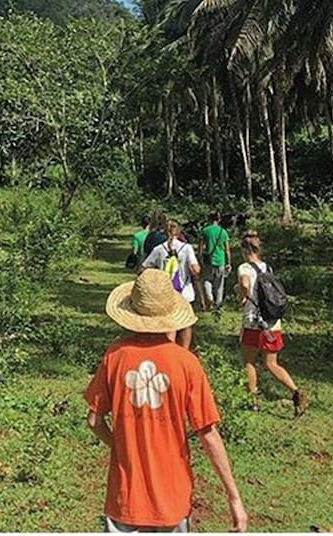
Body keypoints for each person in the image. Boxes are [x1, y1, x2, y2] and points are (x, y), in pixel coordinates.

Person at [85, 269, 248, 533]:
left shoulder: (115, 356)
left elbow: (94, 420)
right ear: (171, 317)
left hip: (124, 499)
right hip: (172, 500)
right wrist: (234, 497)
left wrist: (121, 445)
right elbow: (208, 433)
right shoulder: (186, 364)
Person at [235, 231, 306, 416]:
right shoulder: (268, 268)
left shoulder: (244, 267)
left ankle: (252, 401)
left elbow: (244, 284)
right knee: (272, 363)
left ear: (245, 249)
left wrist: (242, 296)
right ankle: (296, 391)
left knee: (249, 362)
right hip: (272, 323)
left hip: (253, 322)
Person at [141, 220, 201, 349]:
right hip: (185, 292)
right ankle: (184, 352)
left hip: (166, 293)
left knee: (169, 323)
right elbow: (196, 269)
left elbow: (143, 268)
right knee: (186, 323)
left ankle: (169, 351)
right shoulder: (187, 248)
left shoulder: (158, 249)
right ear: (179, 231)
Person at [198, 212, 231, 315]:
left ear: (209, 219)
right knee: (219, 284)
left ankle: (210, 297)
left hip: (208, 260)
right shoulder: (223, 232)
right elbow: (227, 249)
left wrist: (200, 258)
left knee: (207, 280)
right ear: (219, 219)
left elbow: (200, 247)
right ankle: (218, 305)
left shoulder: (205, 231)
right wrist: (229, 262)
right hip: (221, 260)